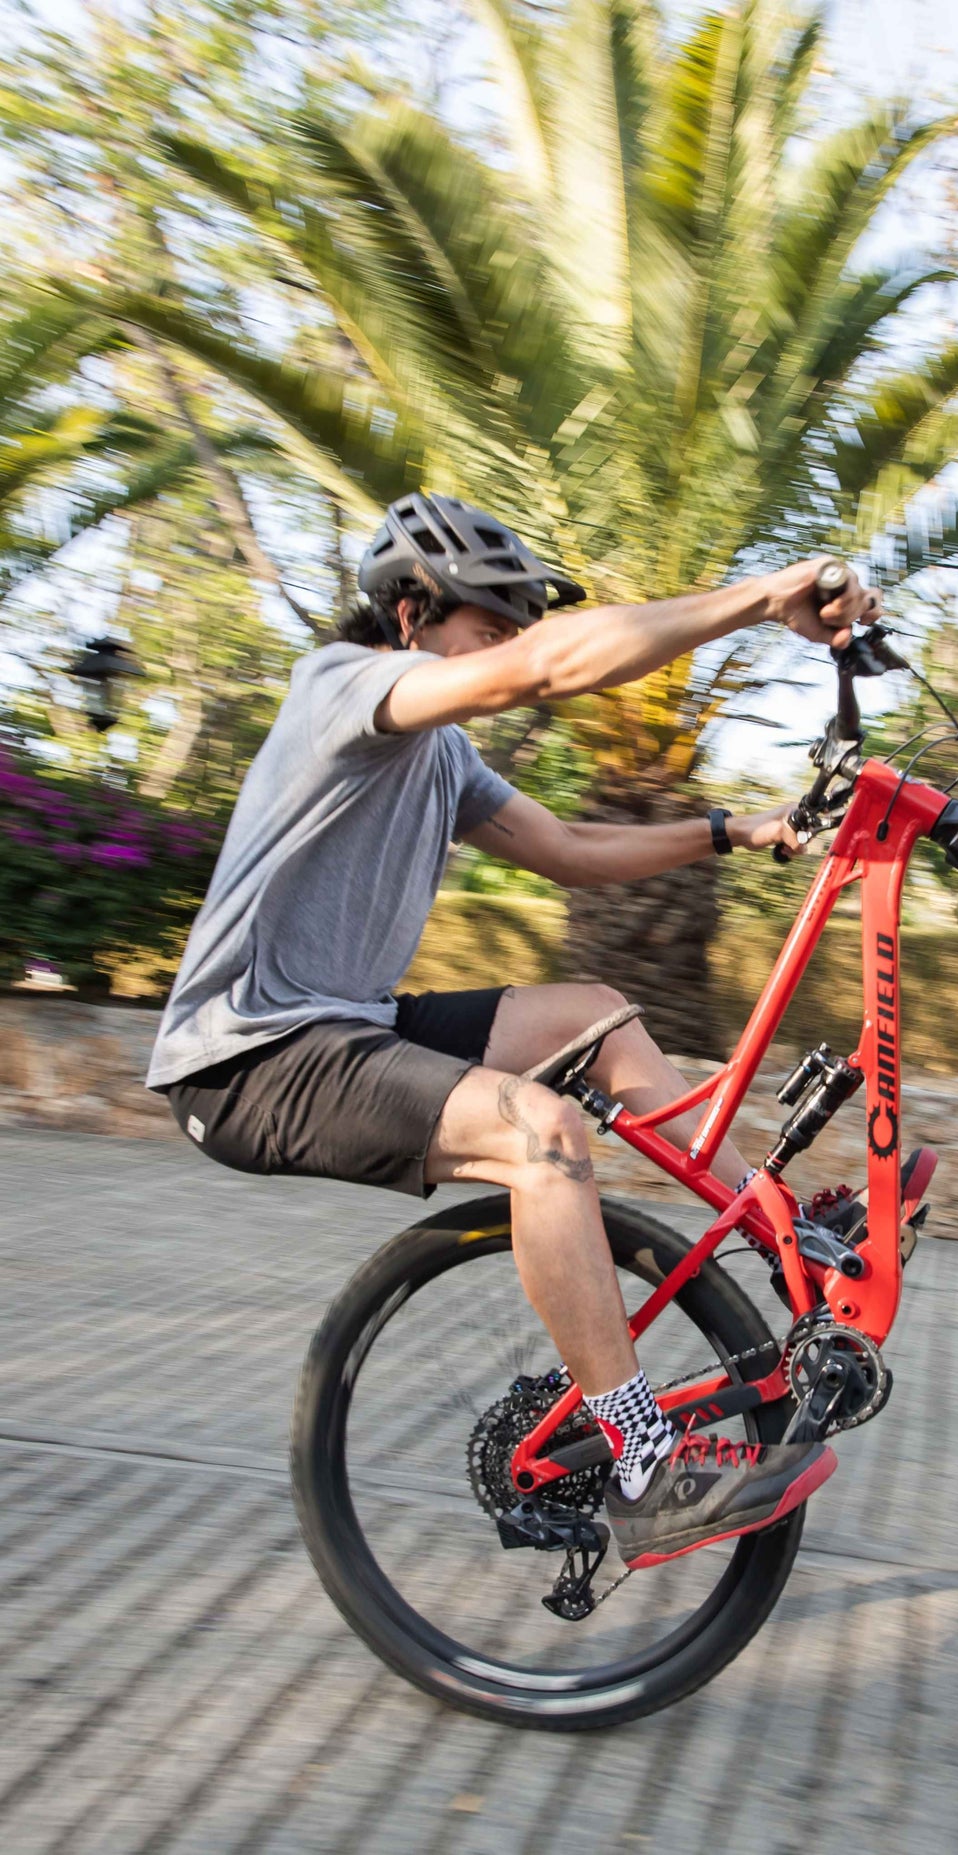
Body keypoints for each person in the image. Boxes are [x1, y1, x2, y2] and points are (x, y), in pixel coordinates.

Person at [146, 491, 883, 1568]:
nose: (511, 649)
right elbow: (547, 669)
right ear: (409, 613)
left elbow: (571, 850)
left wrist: (740, 830)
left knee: (596, 1013)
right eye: (490, 627)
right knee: (539, 1134)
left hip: (340, 1025)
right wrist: (759, 599)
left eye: (514, 628)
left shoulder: (439, 757)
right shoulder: (345, 688)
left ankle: (790, 1244)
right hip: (248, 1056)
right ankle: (640, 1462)